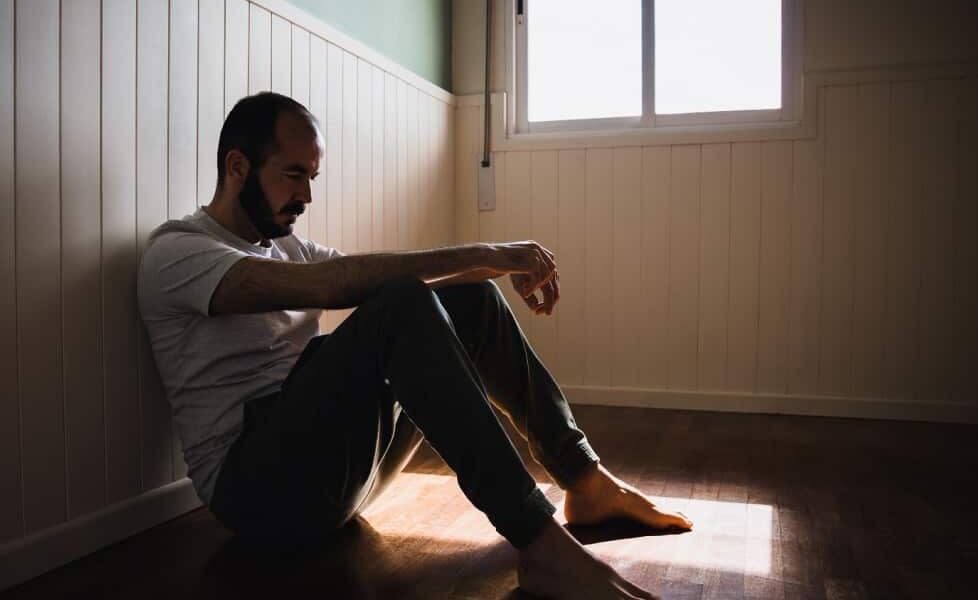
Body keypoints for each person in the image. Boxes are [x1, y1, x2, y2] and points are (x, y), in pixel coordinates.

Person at [137, 92, 691, 600]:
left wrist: (489, 267)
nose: (306, 194)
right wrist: (494, 249)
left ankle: (584, 478)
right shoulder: (180, 252)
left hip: (336, 478)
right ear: (238, 167)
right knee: (401, 302)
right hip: (257, 495)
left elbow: (374, 279)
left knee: (469, 296)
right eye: (293, 175)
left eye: (313, 176)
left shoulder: (289, 247)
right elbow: (337, 286)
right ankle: (540, 543)